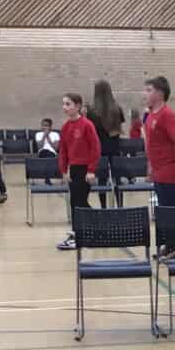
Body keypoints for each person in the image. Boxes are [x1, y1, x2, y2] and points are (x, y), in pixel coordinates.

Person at [143, 74, 175, 258]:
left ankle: (174, 248)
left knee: (170, 210)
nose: (145, 93)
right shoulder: (150, 116)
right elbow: (151, 145)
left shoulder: (167, 115)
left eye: (149, 90)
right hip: (158, 171)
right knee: (163, 210)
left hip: (170, 171)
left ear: (160, 93)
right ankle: (169, 246)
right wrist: (150, 167)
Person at [55, 92, 100, 252]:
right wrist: (64, 170)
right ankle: (79, 233)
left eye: (68, 104)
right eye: (64, 104)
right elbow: (63, 151)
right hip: (73, 169)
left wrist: (91, 170)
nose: (65, 107)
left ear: (78, 106)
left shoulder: (87, 125)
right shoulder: (66, 127)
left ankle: (91, 230)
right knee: (75, 202)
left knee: (80, 202)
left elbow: (95, 148)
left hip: (85, 169)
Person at [88, 78, 125, 202]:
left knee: (102, 180)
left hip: (99, 149)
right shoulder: (117, 108)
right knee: (117, 179)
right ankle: (120, 206)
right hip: (115, 147)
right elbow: (120, 126)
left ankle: (103, 207)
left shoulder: (92, 111)